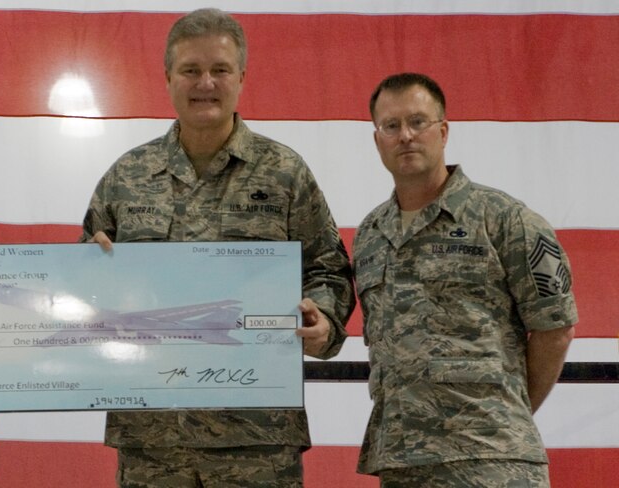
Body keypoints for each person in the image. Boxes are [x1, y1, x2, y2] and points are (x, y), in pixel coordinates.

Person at [80, 8, 355, 487]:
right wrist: (88, 270)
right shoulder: (126, 177)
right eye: (190, 70)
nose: (205, 82)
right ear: (167, 77)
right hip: (153, 440)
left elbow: (330, 269)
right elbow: (80, 290)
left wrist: (324, 322)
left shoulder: (285, 173)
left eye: (219, 70)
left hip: (258, 438)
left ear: (241, 78)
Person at [353, 72, 577, 487]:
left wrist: (503, 413)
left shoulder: (505, 220)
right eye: (391, 125)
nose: (406, 136)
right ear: (377, 139)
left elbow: (555, 328)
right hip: (402, 463)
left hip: (492, 461)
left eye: (418, 122)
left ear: (444, 130)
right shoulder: (370, 235)